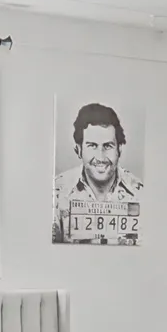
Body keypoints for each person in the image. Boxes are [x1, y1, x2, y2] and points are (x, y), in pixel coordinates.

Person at [52, 102, 143, 245]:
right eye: (92, 146)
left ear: (119, 149)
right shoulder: (55, 194)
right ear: (79, 150)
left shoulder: (142, 195)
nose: (100, 157)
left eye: (108, 146)